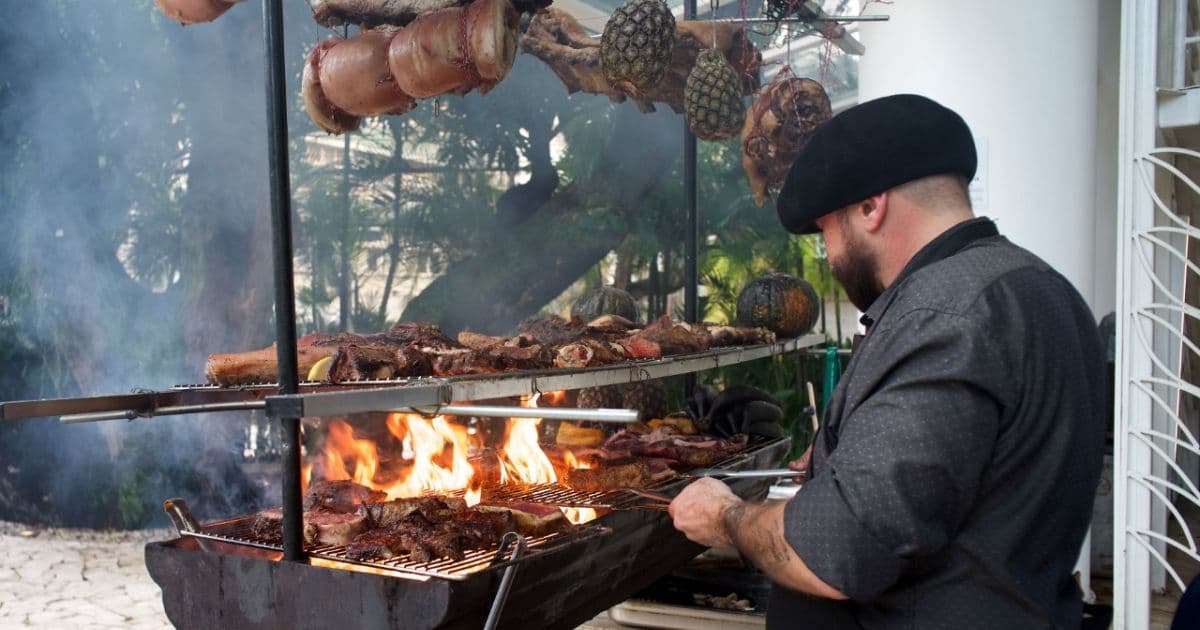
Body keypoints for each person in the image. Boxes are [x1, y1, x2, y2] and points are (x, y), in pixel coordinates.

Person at [668, 94, 1106, 629]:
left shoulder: (941, 315)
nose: (829, 255)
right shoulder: (1043, 287)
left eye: (828, 230)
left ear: (871, 207)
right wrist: (846, 458)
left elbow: (835, 555)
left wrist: (726, 516)